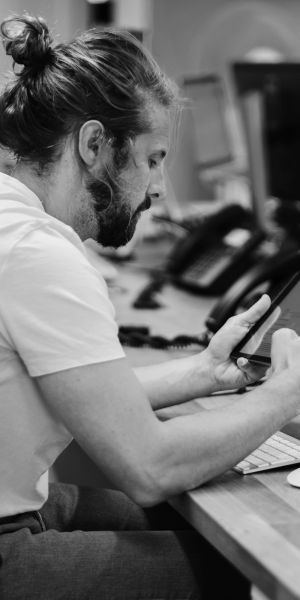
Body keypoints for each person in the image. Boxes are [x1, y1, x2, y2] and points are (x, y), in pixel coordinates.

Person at [0, 14, 300, 600]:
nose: (160, 187)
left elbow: (86, 395)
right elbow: (148, 467)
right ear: (93, 145)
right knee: (236, 571)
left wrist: (203, 371)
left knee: (166, 524)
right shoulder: (37, 255)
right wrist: (283, 396)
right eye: (154, 157)